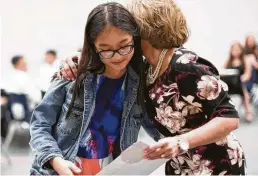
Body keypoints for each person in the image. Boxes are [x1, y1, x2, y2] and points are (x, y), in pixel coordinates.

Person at [61, 0, 246, 175]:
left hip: (215, 163)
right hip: (180, 164)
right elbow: (106, 55)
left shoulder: (186, 66)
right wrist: (77, 58)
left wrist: (180, 142)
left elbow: (229, 118)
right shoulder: (145, 67)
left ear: (143, 29)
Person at [29, 2, 159, 175]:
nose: (118, 56)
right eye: (106, 50)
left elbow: (157, 128)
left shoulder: (139, 81)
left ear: (134, 38)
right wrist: (55, 160)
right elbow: (39, 124)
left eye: (124, 45)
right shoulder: (73, 72)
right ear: (93, 46)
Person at [224, 42, 253, 122]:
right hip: (231, 83)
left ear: (241, 50)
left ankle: (248, 111)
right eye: (234, 50)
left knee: (243, 88)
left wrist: (240, 79)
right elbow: (224, 72)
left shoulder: (245, 59)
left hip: (243, 82)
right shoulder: (228, 61)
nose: (236, 51)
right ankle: (225, 111)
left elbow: (247, 74)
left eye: (237, 49)